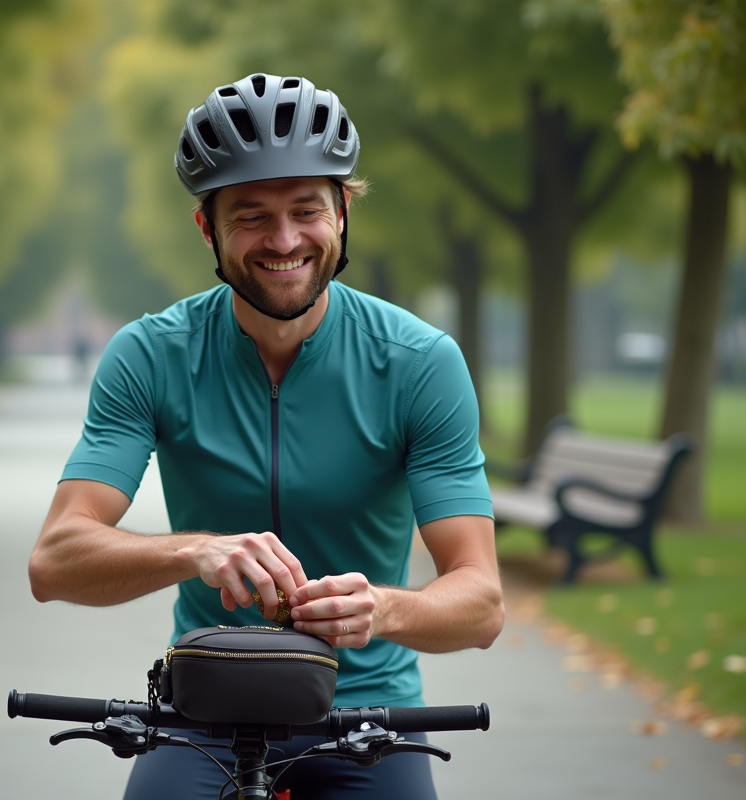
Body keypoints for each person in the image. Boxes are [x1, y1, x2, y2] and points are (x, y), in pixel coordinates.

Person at [29, 73, 503, 800]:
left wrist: (383, 608)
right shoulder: (149, 356)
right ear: (206, 228)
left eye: (306, 209)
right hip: (205, 712)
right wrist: (196, 550)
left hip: (368, 716)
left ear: (343, 211)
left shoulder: (419, 363)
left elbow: (481, 602)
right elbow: (55, 560)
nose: (284, 241)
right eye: (250, 216)